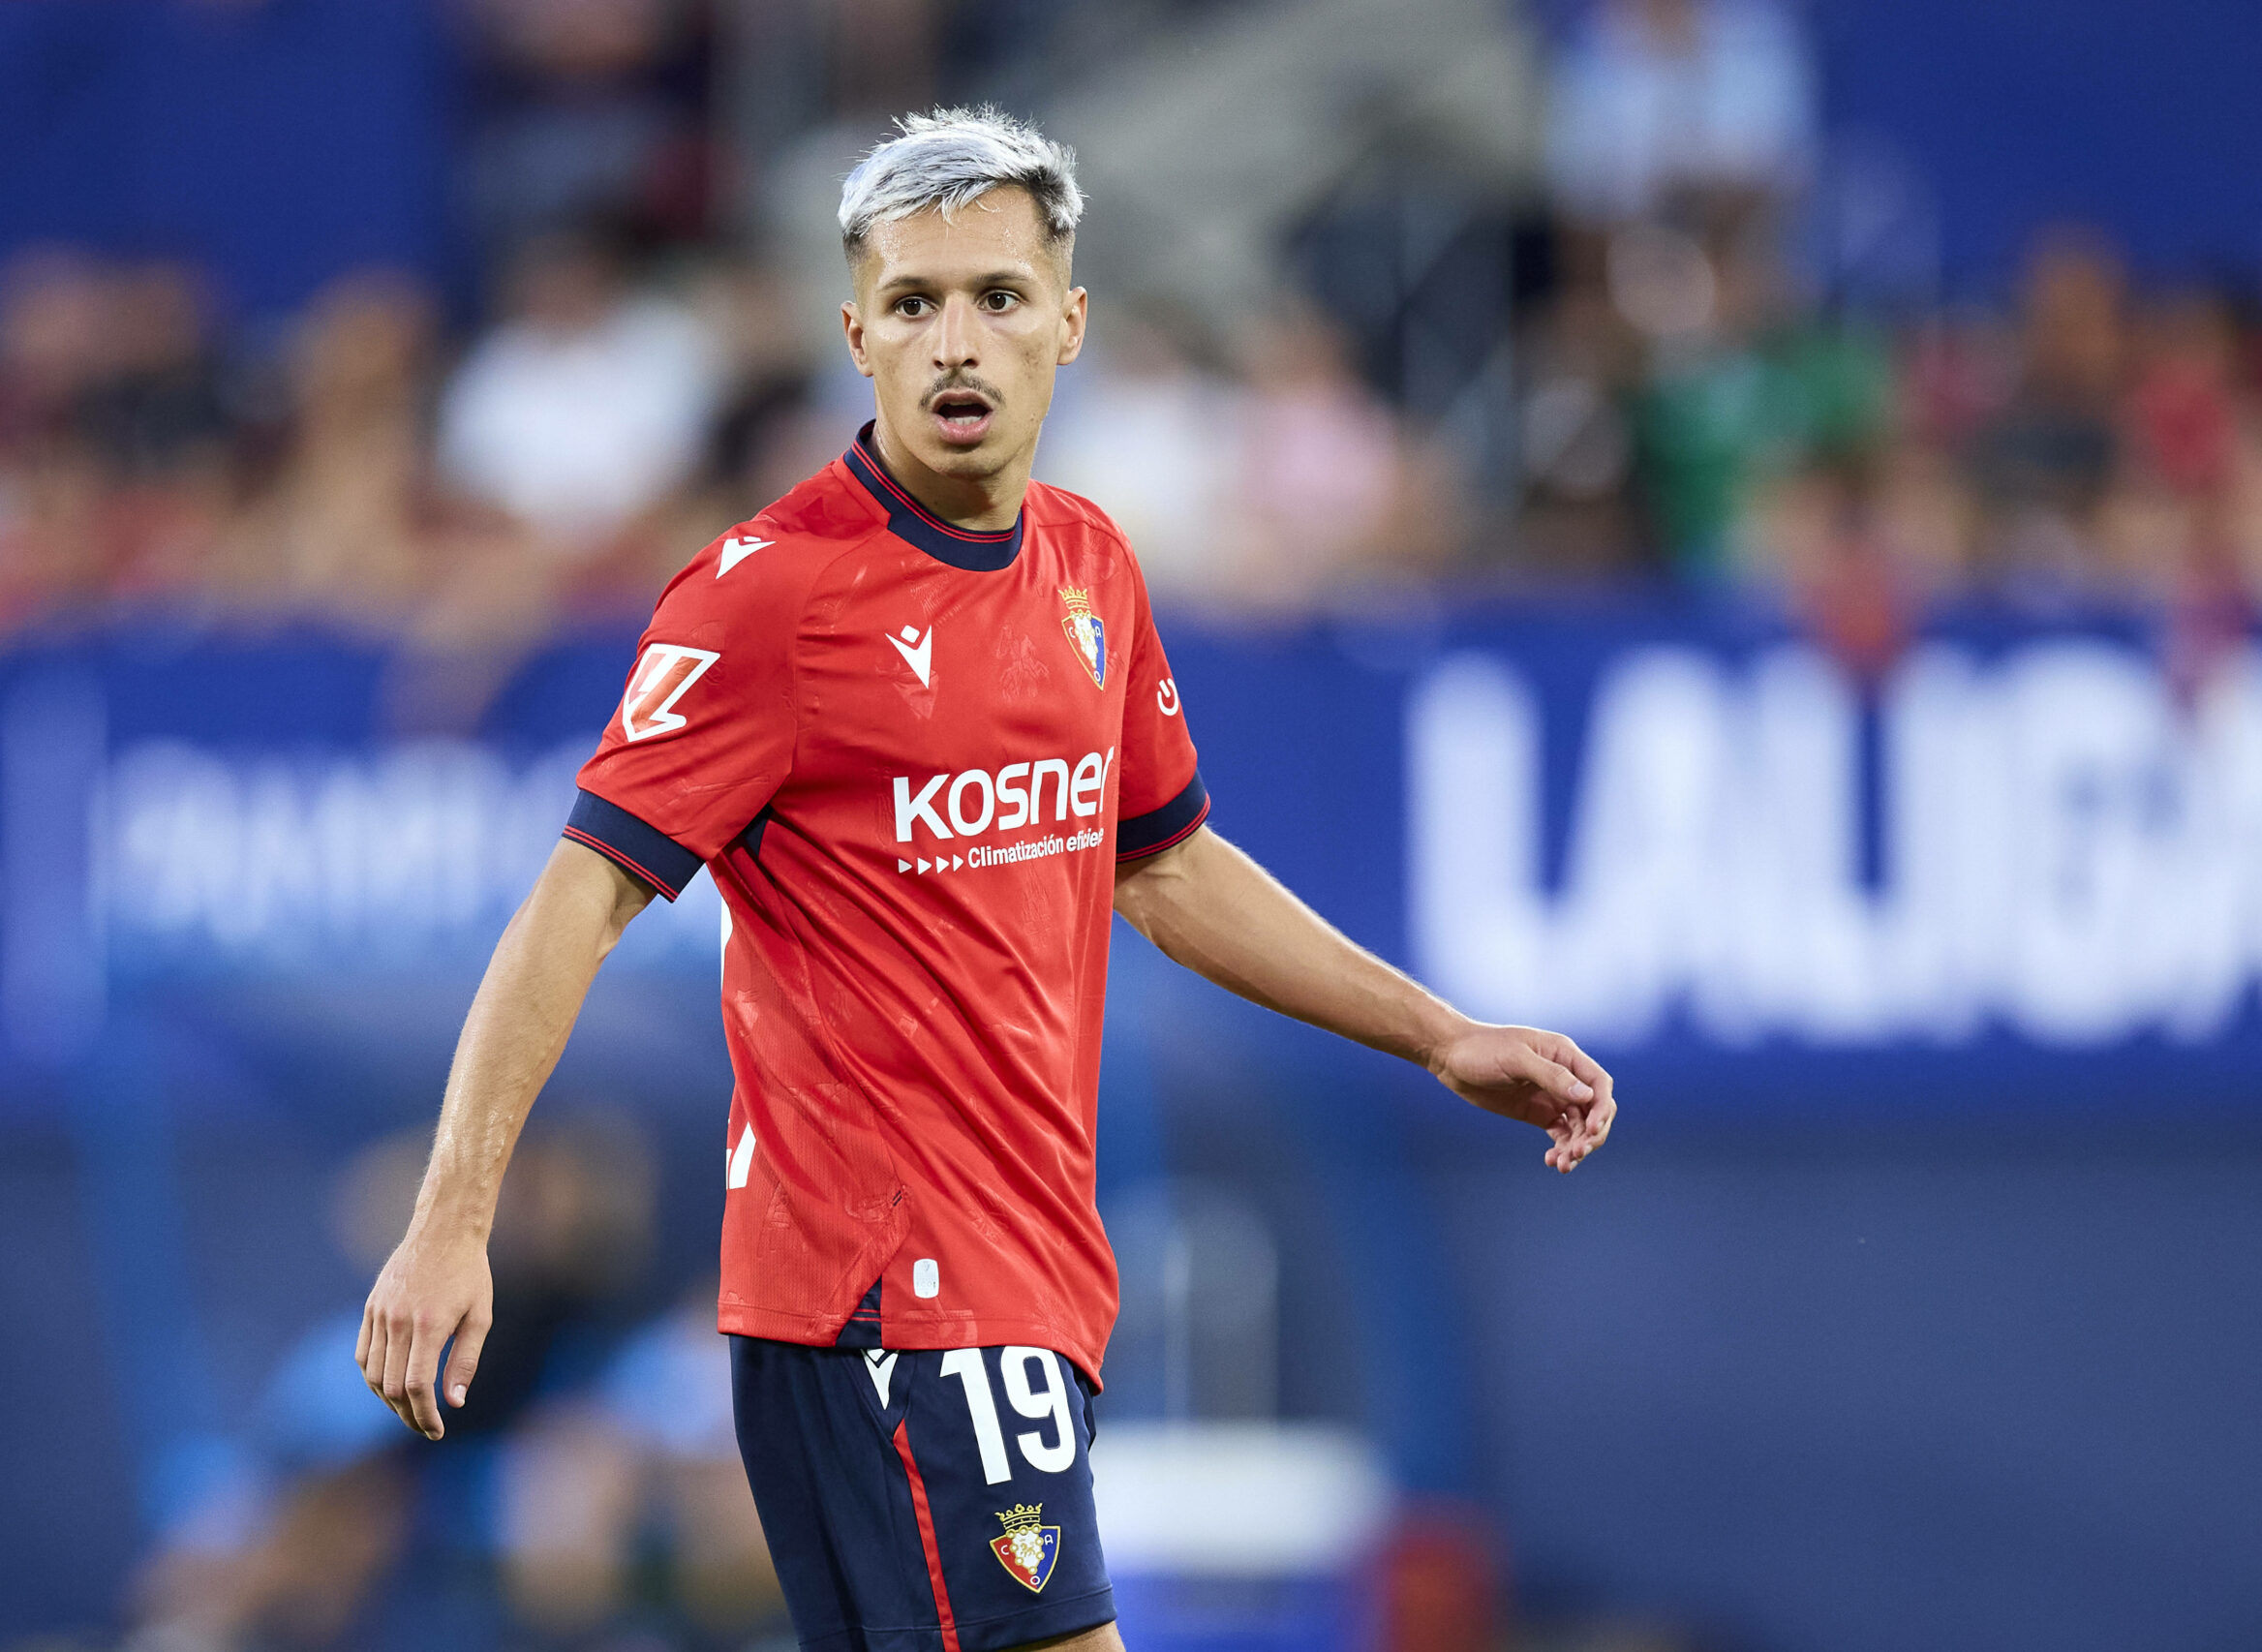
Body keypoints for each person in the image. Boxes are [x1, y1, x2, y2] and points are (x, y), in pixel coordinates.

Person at [358, 107, 1616, 1652]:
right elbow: (576, 902)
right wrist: (450, 1215)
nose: (958, 341)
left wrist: (1439, 1034)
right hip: (893, 1290)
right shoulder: (771, 599)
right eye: (913, 304)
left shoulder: (1091, 564)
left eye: (999, 298)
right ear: (856, 336)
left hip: (1021, 1276)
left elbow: (1163, 866)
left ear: (1068, 323)